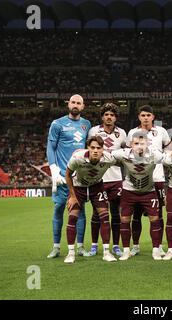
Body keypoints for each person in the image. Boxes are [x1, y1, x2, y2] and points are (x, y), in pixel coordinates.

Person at [46, 94, 91, 259]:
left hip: (79, 177)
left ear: (83, 106)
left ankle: (80, 247)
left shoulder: (86, 124)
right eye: (73, 102)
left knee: (81, 211)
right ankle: (56, 247)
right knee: (58, 209)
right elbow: (50, 147)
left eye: (79, 103)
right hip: (61, 177)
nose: (75, 105)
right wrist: (53, 169)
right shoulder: (57, 124)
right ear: (68, 104)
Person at [64, 136, 118, 264]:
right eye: (92, 147)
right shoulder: (78, 158)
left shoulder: (109, 158)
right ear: (88, 148)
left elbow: (125, 162)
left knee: (105, 217)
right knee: (72, 218)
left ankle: (106, 252)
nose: (95, 150)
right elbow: (67, 174)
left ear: (102, 149)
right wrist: (72, 196)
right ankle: (71, 253)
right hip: (78, 188)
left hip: (96, 187)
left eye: (98, 148)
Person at [126, 105, 171, 257]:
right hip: (137, 179)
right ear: (139, 117)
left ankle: (158, 246)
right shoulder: (132, 133)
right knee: (136, 214)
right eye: (143, 115)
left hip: (157, 178)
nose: (145, 117)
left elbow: (169, 145)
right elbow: (128, 152)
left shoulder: (161, 132)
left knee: (158, 214)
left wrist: (165, 155)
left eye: (148, 115)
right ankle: (136, 245)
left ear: (153, 117)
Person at [114, 132, 164, 261]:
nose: (139, 146)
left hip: (149, 191)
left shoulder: (155, 155)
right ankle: (126, 251)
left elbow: (169, 160)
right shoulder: (123, 153)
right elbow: (108, 155)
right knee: (125, 220)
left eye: (142, 143)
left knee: (155, 219)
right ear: (131, 144)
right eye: (136, 143)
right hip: (129, 192)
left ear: (148, 144)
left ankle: (156, 250)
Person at [86, 103, 126, 257]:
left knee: (116, 214)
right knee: (97, 214)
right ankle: (94, 246)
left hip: (116, 179)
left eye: (112, 115)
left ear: (115, 117)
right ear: (102, 116)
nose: (109, 117)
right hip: (98, 178)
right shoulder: (94, 131)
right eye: (106, 114)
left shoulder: (122, 133)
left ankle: (116, 245)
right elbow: (89, 151)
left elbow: (126, 153)